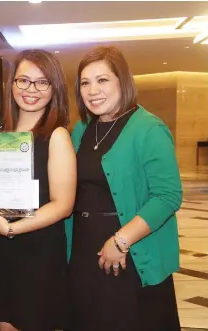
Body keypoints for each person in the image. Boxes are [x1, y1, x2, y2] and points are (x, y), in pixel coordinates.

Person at [66, 46, 182, 331]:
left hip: (129, 255)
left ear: (123, 81)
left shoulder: (149, 128)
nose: (93, 90)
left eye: (102, 80)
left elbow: (167, 196)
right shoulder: (81, 128)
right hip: (82, 252)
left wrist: (121, 241)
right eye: (85, 82)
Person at [0, 49, 77, 331]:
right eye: (23, 80)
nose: (32, 89)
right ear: (12, 84)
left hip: (36, 250)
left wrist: (13, 229)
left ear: (54, 88)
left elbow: (63, 204)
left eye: (42, 82)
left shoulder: (56, 135)